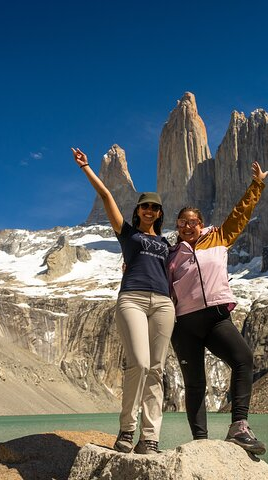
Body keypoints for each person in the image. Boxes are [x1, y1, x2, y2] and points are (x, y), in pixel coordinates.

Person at [73, 147, 174, 455]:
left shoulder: (167, 244)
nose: (148, 210)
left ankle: (150, 437)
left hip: (163, 304)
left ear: (159, 213)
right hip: (132, 299)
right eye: (144, 206)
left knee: (157, 370)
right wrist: (87, 168)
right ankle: (127, 428)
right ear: (138, 210)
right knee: (140, 364)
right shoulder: (127, 234)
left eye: (154, 207)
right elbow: (106, 197)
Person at [167, 161, 268, 455]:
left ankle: (239, 427)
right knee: (195, 383)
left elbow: (240, 214)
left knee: (243, 359)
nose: (188, 226)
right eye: (183, 222)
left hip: (215, 319)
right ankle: (200, 442)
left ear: (202, 223)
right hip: (184, 325)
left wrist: (256, 185)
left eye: (193, 222)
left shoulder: (219, 237)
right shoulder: (171, 254)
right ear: (178, 226)